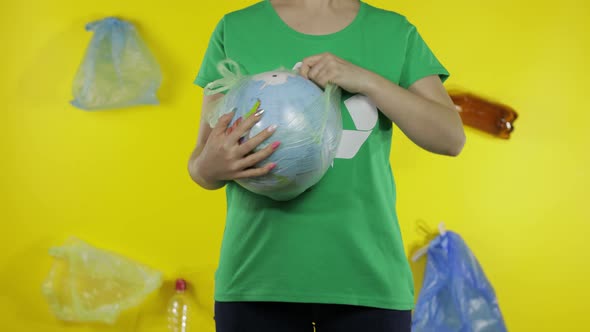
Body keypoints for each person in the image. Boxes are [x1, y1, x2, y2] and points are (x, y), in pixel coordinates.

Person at [188, 1, 466, 331]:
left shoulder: (393, 31)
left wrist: (366, 80)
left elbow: (450, 138)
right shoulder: (235, 29)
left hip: (368, 282)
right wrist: (210, 168)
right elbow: (200, 163)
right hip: (257, 279)